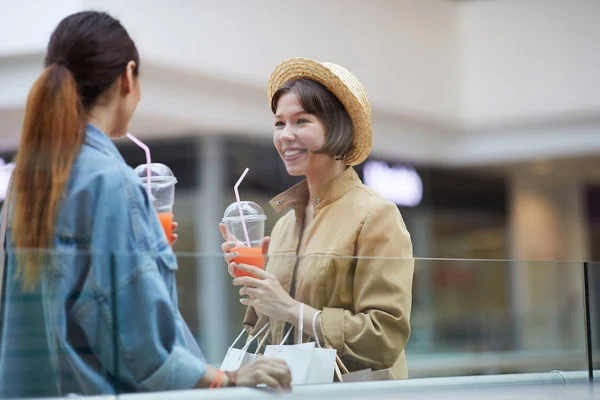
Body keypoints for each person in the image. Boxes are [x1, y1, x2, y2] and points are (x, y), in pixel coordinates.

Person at [0, 11, 290, 397]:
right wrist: (228, 379)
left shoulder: (30, 179)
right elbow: (138, 347)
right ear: (128, 75)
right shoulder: (110, 181)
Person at [221, 58, 414, 380]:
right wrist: (257, 283)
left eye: (302, 121)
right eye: (279, 123)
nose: (285, 135)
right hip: (297, 387)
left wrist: (289, 308)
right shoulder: (284, 224)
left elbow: (385, 337)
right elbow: (271, 328)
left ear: (337, 127)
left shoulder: (376, 214)